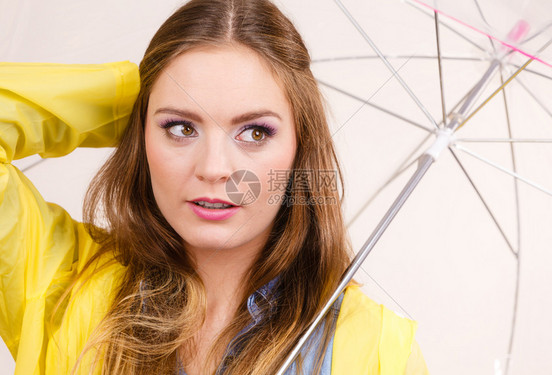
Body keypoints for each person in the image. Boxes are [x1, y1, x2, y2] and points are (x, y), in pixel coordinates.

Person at [0, 0, 429, 374]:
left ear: (301, 147)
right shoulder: (60, 283)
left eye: (255, 132)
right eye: (180, 127)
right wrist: (135, 96)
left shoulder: (380, 351)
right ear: (142, 135)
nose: (214, 168)